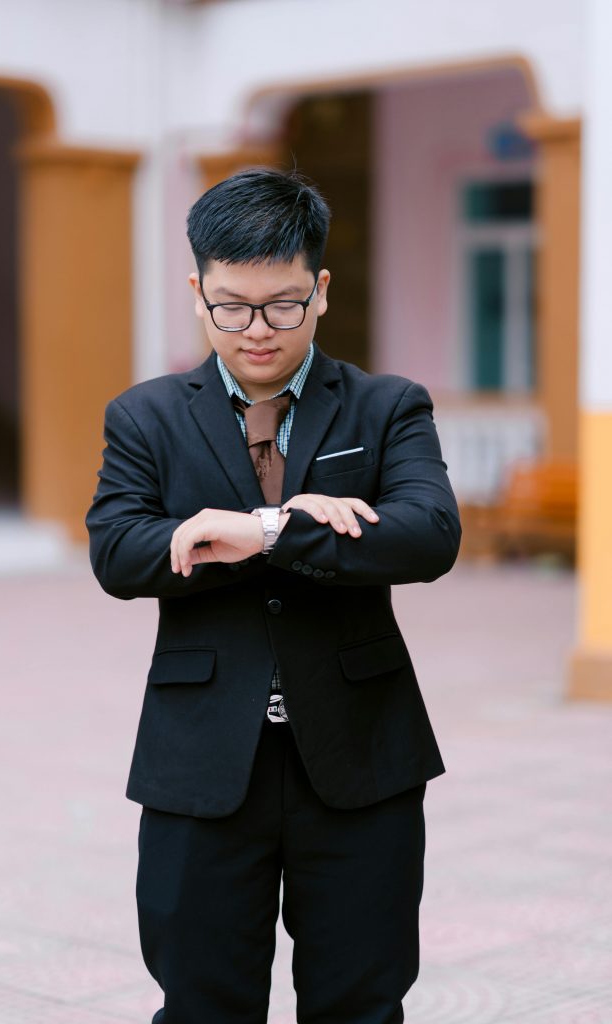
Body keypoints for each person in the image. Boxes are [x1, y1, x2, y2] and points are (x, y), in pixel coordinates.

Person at [85, 167, 461, 1024]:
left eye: (283, 304)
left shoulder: (386, 407)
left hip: (363, 756)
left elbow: (428, 535)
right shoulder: (143, 417)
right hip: (202, 762)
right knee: (202, 1004)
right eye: (231, 306)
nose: (257, 330)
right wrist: (300, 526)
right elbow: (118, 551)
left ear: (320, 290)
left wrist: (260, 530)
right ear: (197, 291)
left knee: (360, 1004)